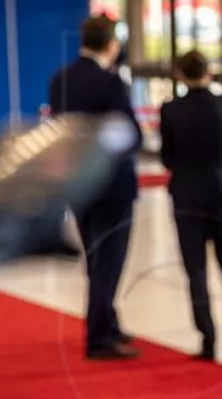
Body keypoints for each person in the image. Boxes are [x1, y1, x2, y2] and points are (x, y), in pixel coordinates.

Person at [48, 15, 142, 360]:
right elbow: (130, 134)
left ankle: (108, 322)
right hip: (112, 186)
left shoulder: (60, 80)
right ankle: (98, 336)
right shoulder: (110, 82)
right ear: (112, 44)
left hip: (78, 183)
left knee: (95, 257)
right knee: (109, 261)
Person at [159, 51, 222, 362]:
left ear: (181, 75)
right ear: (209, 72)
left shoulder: (171, 110)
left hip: (187, 194)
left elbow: (167, 157)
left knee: (196, 271)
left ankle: (208, 341)